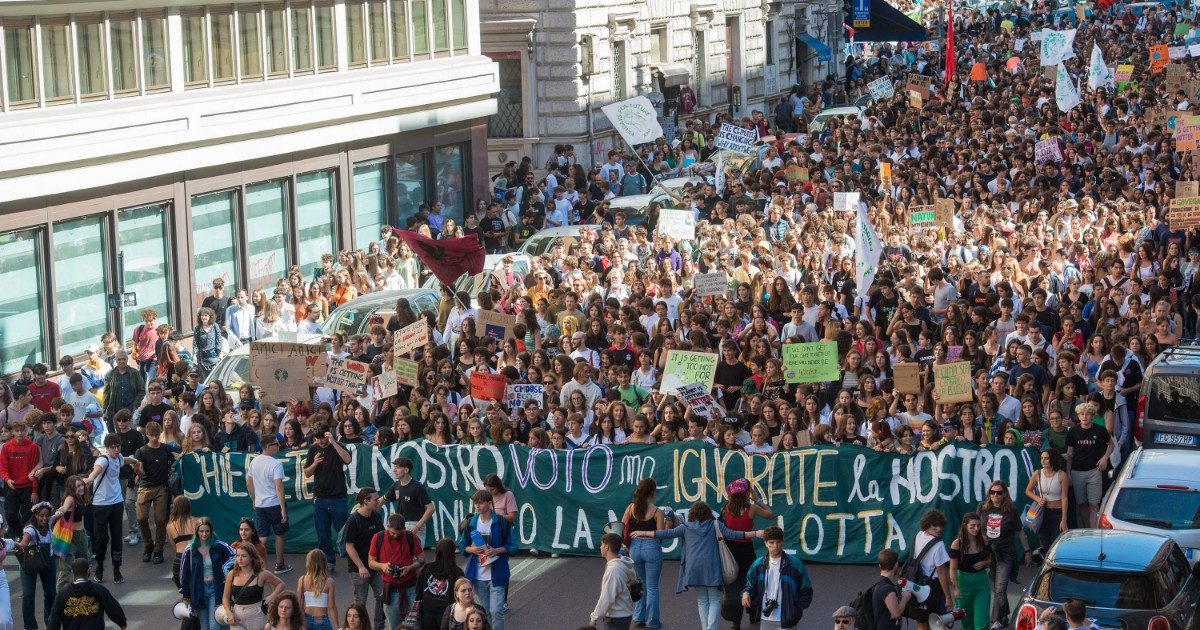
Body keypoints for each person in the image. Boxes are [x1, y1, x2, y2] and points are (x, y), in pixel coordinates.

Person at [630, 501, 765, 630]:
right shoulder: (715, 525)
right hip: (712, 568)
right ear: (708, 513)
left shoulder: (686, 527)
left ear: (692, 513)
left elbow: (666, 533)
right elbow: (734, 534)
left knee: (702, 601)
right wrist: (755, 533)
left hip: (693, 569)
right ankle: (710, 628)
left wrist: (643, 533)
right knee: (714, 599)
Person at [721, 478, 775, 630]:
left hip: (730, 549)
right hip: (746, 550)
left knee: (732, 585)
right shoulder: (751, 508)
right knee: (750, 582)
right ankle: (753, 614)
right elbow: (771, 514)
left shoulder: (725, 508)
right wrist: (757, 498)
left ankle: (735, 622)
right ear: (746, 493)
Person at [459, 489, 517, 630]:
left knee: (496, 611)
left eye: (480, 503)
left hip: (497, 574)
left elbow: (513, 546)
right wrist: (471, 549)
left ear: (489, 503)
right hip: (478, 576)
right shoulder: (471, 523)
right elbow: (462, 546)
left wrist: (496, 550)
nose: (477, 506)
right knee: (485, 614)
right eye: (475, 504)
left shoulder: (502, 522)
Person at [978, 481, 1030, 629]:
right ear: (989, 494)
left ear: (1004, 494)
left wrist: (1027, 551)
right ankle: (1004, 616)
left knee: (1000, 588)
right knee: (997, 587)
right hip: (989, 554)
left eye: (999, 492)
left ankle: (998, 620)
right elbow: (977, 527)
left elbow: (1020, 532)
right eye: (992, 492)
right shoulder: (982, 508)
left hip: (1005, 554)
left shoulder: (1011, 510)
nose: (995, 495)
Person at [740, 526, 813, 630]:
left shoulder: (796, 565)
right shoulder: (758, 565)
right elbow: (750, 584)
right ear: (765, 543)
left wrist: (796, 610)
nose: (775, 546)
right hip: (765, 618)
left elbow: (806, 589)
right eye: (771, 542)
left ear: (782, 542)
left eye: (778, 542)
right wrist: (746, 594)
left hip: (788, 619)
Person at [304, 422, 353, 571]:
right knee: (323, 534)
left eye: (322, 438)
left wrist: (333, 442)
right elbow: (307, 472)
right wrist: (315, 463)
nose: (320, 441)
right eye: (317, 438)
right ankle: (329, 563)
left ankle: (353, 558)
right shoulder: (313, 449)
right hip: (320, 498)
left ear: (328, 433)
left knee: (343, 531)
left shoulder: (336, 445)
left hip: (338, 497)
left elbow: (348, 460)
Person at [621, 478, 664, 629]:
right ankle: (652, 622)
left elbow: (622, 527)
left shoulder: (631, 508)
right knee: (652, 586)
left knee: (640, 583)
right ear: (652, 492)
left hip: (635, 547)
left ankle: (639, 616)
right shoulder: (658, 512)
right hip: (651, 547)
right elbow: (660, 535)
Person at [368, 513, 424, 629]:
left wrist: (410, 568)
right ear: (387, 526)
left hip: (411, 587)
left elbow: (421, 559)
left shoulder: (410, 536)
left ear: (403, 529)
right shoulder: (377, 538)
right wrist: (383, 566)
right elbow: (371, 562)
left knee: (415, 625)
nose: (394, 536)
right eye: (392, 533)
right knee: (394, 626)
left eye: (398, 534)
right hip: (390, 589)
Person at [178, 517, 235, 630]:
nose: (204, 534)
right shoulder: (189, 550)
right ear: (197, 532)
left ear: (211, 531)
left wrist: (225, 570)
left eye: (207, 531)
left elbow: (235, 556)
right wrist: (185, 595)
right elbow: (184, 574)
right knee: (204, 627)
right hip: (199, 591)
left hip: (216, 589)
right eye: (201, 531)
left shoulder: (219, 546)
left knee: (214, 626)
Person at [82, 434, 125, 584]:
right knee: (101, 539)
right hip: (100, 505)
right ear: (107, 448)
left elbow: (127, 461)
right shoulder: (103, 459)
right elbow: (97, 470)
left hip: (117, 502)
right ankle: (99, 566)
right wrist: (89, 479)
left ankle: (116, 569)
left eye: (118, 446)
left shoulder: (119, 458)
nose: (116, 449)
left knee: (117, 537)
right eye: (113, 447)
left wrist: (136, 462)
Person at [128, 420, 172, 565]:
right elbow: (140, 472)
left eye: (156, 435)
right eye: (151, 435)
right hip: (145, 486)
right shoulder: (141, 451)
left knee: (160, 520)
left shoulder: (165, 448)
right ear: (146, 435)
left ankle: (158, 549)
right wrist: (137, 469)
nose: (154, 438)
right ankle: (148, 544)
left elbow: (175, 459)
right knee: (141, 518)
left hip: (161, 487)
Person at [246, 434, 292, 574]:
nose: (278, 446)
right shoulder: (276, 463)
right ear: (268, 447)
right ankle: (279, 564)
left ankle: (253, 565)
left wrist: (254, 499)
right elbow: (279, 487)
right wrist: (283, 508)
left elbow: (249, 482)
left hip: (260, 505)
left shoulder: (254, 462)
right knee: (279, 534)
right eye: (276, 444)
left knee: (262, 537)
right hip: (274, 504)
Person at [1066, 401, 1112, 529]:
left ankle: (1093, 531)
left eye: (1087, 414)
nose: (1084, 417)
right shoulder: (1073, 431)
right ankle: (1087, 529)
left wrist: (1105, 458)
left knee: (1094, 505)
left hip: (1094, 471)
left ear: (1092, 415)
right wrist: (1068, 473)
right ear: (1078, 416)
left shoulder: (1100, 430)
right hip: (1076, 471)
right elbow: (1070, 453)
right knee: (1082, 504)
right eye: (1081, 414)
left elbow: (1111, 445)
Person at [344, 487, 385, 630]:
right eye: (375, 499)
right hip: (358, 569)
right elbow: (349, 546)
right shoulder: (353, 520)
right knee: (360, 603)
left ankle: (379, 627)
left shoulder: (376, 516)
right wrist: (361, 566)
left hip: (376, 567)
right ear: (366, 501)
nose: (378, 501)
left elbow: (381, 539)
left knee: (382, 597)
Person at [46, 558, 127, 630]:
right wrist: (122, 623)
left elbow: (53, 621)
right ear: (88, 571)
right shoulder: (99, 590)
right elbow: (113, 608)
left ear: (73, 572)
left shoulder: (62, 594)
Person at [221, 544, 284, 630]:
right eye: (238, 556)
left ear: (251, 558)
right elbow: (225, 597)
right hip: (236, 614)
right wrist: (228, 613)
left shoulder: (261, 573)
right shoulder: (232, 574)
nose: (240, 559)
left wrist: (272, 596)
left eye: (244, 556)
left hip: (256, 614)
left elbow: (281, 584)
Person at [908, 509, 951, 630]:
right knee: (937, 623)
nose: (939, 529)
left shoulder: (918, 535)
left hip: (917, 583)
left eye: (940, 526)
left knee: (921, 621)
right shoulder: (938, 545)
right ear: (927, 526)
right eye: (934, 526)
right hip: (933, 588)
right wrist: (948, 597)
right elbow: (941, 572)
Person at [17, 502, 57, 630]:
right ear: (35, 515)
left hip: (47, 561)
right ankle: (30, 627)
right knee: (28, 595)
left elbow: (60, 512)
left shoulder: (50, 522)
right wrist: (17, 545)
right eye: (41, 516)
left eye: (46, 515)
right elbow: (24, 542)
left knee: (51, 593)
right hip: (30, 562)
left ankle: (50, 623)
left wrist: (66, 504)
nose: (44, 518)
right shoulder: (30, 529)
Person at [948, 514, 991, 630]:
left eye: (978, 525)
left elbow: (991, 559)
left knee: (981, 623)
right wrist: (955, 588)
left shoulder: (984, 540)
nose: (976, 529)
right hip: (963, 583)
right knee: (966, 621)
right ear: (965, 526)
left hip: (982, 583)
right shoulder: (957, 544)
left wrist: (984, 563)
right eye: (972, 526)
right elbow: (952, 569)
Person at [1, 420, 42, 539]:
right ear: (12, 432)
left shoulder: (32, 447)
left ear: (25, 431)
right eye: (17, 431)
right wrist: (7, 479)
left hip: (28, 487)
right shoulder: (7, 447)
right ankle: (22, 536)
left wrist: (34, 490)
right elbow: (3, 467)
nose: (19, 433)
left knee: (27, 515)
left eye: (22, 431)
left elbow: (34, 469)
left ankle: (25, 541)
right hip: (12, 486)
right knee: (10, 516)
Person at [1024, 449, 1070, 555]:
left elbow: (1064, 498)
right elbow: (1028, 491)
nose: (1043, 461)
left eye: (1046, 458)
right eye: (1041, 458)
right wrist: (1038, 499)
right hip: (1042, 511)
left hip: (1057, 512)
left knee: (1056, 541)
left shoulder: (1062, 475)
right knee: (1044, 541)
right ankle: (1046, 565)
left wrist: (1064, 519)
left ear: (1052, 459)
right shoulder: (1037, 474)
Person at [588, 532, 636, 630]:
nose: (600, 547)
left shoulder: (613, 570)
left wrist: (594, 618)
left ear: (607, 547)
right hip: (625, 613)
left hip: (616, 618)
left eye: (602, 545)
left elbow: (606, 598)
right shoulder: (624, 563)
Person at [49, 475, 89, 590]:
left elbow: (89, 479)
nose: (81, 488)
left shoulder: (81, 497)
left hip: (81, 535)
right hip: (70, 537)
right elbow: (64, 508)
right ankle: (60, 597)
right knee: (66, 568)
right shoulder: (70, 498)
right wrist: (57, 513)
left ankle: (83, 590)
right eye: (78, 486)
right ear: (72, 488)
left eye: (82, 485)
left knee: (84, 563)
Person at [414, 538, 464, 630]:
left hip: (427, 613)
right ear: (453, 552)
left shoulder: (426, 569)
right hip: (447, 614)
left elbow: (418, 592)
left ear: (437, 551)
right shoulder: (457, 572)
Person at [383, 457, 434, 540]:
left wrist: (417, 526)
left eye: (397, 467)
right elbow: (382, 499)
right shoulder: (395, 485)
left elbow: (431, 508)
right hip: (399, 525)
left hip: (414, 524)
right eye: (394, 467)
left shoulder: (418, 487)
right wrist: (363, 508)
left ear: (406, 470)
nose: (394, 470)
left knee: (414, 553)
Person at [871, 549, 915, 630]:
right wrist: (905, 598)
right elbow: (896, 613)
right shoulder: (887, 588)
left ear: (880, 566)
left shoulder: (878, 583)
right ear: (896, 565)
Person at [297, 549, 339, 630]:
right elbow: (332, 606)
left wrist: (300, 622)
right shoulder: (329, 582)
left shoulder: (302, 580)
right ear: (324, 563)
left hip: (306, 620)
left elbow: (299, 604)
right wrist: (336, 626)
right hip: (322, 621)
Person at [166, 496, 197, 589]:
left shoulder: (170, 526)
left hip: (179, 559)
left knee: (184, 591)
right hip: (195, 556)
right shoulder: (196, 522)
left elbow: (174, 546)